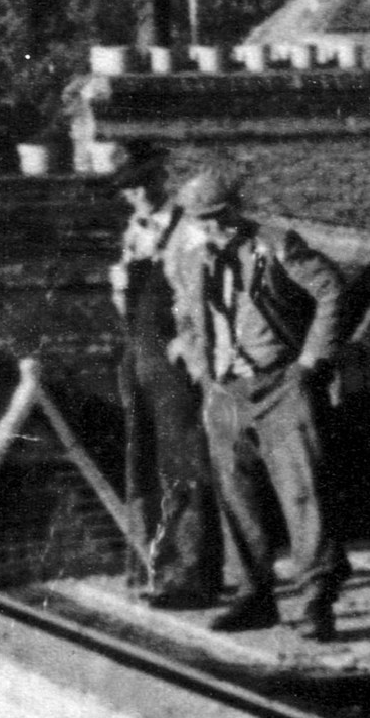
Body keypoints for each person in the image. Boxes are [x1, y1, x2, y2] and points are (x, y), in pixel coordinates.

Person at [164, 169, 352, 641]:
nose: (213, 228)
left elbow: (331, 290)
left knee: (303, 495)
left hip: (281, 384)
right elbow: (185, 316)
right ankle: (253, 597)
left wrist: (311, 360)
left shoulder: (276, 245)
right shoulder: (188, 260)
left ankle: (315, 603)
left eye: (219, 216)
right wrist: (197, 365)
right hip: (225, 391)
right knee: (237, 497)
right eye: (202, 220)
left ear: (235, 209)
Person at [108, 143, 219, 608]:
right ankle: (149, 568)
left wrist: (189, 345)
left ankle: (192, 575)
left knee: (184, 464)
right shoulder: (134, 233)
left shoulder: (189, 229)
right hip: (138, 357)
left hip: (173, 368)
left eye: (142, 184)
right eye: (127, 188)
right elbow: (125, 301)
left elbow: (207, 290)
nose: (135, 195)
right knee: (141, 462)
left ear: (159, 182)